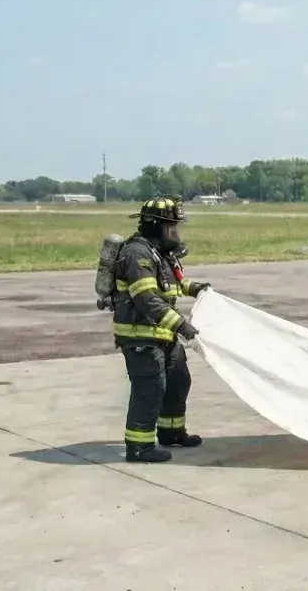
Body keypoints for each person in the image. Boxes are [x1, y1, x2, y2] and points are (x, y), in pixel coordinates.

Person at [112, 194, 212, 463]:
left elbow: (169, 284)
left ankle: (171, 432)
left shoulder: (159, 253)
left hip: (162, 335)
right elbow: (147, 299)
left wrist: (195, 288)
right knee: (150, 387)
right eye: (172, 227)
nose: (176, 233)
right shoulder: (136, 255)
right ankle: (139, 446)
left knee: (179, 381)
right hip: (141, 337)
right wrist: (181, 325)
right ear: (157, 226)